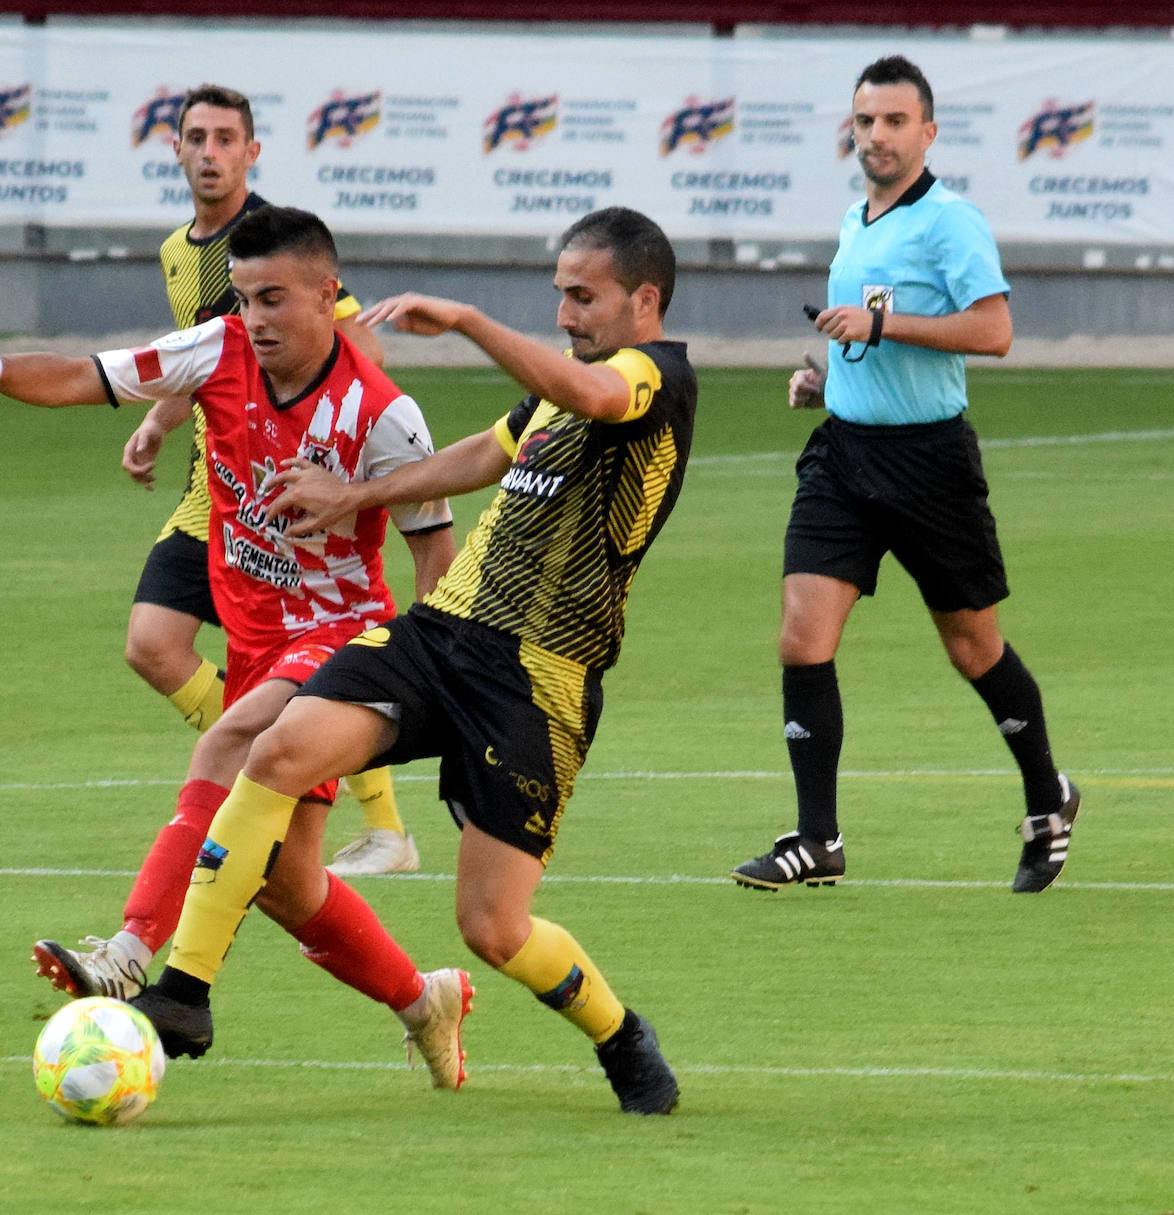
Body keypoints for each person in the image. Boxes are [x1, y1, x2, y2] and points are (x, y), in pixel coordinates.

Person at [127, 206, 696, 1116]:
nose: (565, 314)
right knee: (272, 749)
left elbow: (594, 398)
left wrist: (471, 322)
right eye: (557, 295)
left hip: (538, 676)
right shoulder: (565, 383)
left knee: (494, 928)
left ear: (645, 299)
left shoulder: (653, 380)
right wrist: (361, 493)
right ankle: (184, 993)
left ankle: (620, 1031)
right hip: (442, 634)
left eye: (583, 297)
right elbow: (482, 453)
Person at [0, 206, 472, 1090]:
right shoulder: (215, 352)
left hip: (345, 639)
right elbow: (83, 377)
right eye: (243, 299)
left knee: (225, 741)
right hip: (256, 647)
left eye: (274, 298)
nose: (256, 319)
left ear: (328, 294)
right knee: (286, 882)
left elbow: (437, 559)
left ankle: (129, 952)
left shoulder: (385, 416)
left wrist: (436, 687)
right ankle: (423, 999)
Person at [730, 55, 1079, 895]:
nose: (876, 136)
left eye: (893, 122)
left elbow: (993, 332)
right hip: (846, 457)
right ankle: (818, 838)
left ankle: (1048, 794)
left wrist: (884, 326)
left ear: (928, 131)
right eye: (864, 121)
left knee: (972, 646)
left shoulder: (951, 221)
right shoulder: (856, 219)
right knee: (801, 635)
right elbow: (868, 337)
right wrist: (829, 378)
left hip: (929, 465)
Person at [130, 83, 419, 878]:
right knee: (152, 646)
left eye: (227, 138)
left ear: (252, 152)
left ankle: (380, 824)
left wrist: (327, 428)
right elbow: (207, 356)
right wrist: (157, 421)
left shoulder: (274, 248)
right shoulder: (176, 252)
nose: (211, 152)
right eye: (197, 137)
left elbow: (359, 345)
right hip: (211, 496)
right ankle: (267, 762)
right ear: (176, 149)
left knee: (325, 657)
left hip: (281, 499)